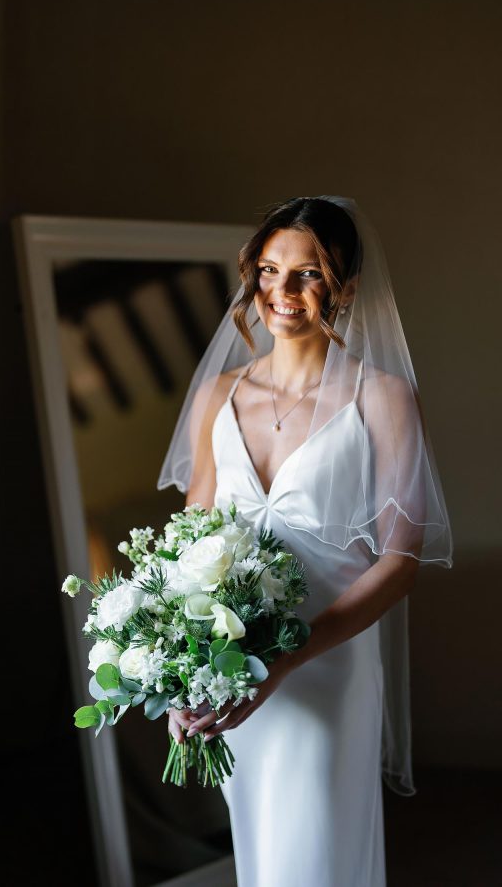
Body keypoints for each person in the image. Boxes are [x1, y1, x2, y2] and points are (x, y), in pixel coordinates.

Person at [158, 196, 453, 887]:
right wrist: (179, 668)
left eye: (309, 273)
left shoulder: (382, 398)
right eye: (269, 269)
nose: (282, 290)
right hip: (232, 669)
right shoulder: (217, 395)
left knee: (314, 856)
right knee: (263, 857)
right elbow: (189, 542)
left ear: (345, 288)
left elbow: (400, 562)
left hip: (325, 664)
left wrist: (287, 660)